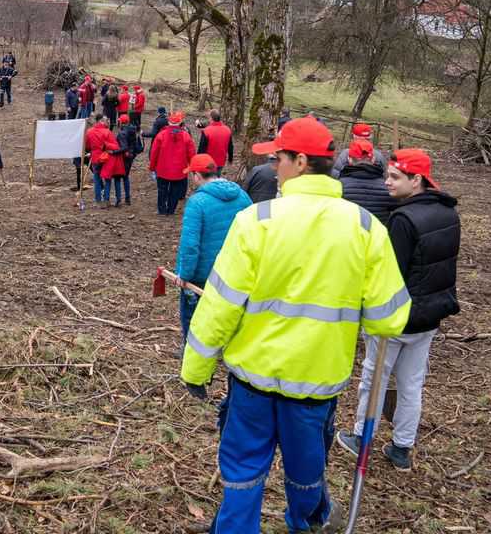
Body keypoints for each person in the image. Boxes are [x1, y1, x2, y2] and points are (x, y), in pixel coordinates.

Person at [180, 116, 410, 534]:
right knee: (306, 470)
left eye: (279, 159)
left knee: (243, 470)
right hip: (316, 383)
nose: (273, 168)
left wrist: (196, 368)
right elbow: (390, 316)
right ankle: (307, 520)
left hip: (253, 380)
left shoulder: (257, 221)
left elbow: (219, 305)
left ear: (301, 162)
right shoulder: (365, 228)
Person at [337, 148, 459, 472]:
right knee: (411, 383)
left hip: (397, 318)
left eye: (394, 177)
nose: (386, 183)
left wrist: (370, 308)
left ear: (416, 180)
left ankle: (362, 437)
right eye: (387, 175)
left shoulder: (403, 220)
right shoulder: (449, 214)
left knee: (373, 378)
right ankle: (402, 447)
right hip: (429, 317)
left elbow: (390, 274)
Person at [174, 154, 251, 338]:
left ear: (197, 176)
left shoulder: (197, 203)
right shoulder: (242, 196)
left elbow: (190, 245)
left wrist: (185, 275)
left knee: (193, 320)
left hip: (202, 276)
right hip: (233, 271)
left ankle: (193, 353)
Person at [336, 139, 394, 224]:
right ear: (373, 159)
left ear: (349, 159)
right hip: (379, 236)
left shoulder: (337, 187)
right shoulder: (389, 188)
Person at [149, 111, 196, 215]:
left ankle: (162, 210)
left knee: (162, 190)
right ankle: (171, 210)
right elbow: (191, 154)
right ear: (180, 122)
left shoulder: (161, 135)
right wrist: (192, 168)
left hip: (162, 169)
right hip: (179, 171)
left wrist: (152, 168)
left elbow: (154, 153)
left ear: (168, 122)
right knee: (175, 192)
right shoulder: (186, 136)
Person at [85, 115, 119, 206]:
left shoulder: (89, 131)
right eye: (105, 120)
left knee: (97, 179)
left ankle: (98, 200)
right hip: (106, 158)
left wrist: (92, 150)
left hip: (95, 158)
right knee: (107, 179)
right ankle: (106, 199)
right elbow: (116, 146)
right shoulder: (107, 132)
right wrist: (106, 145)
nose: (107, 122)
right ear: (100, 121)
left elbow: (87, 146)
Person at [115, 113, 143, 206]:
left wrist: (112, 152)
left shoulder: (122, 133)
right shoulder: (133, 130)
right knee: (126, 177)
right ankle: (127, 199)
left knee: (118, 178)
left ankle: (118, 199)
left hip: (122, 157)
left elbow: (123, 147)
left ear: (121, 122)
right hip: (131, 156)